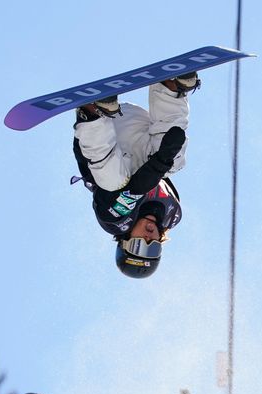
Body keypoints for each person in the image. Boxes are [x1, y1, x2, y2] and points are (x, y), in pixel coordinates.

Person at [72, 73, 200, 278]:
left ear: (124, 241)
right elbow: (155, 173)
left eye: (138, 246)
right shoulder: (172, 213)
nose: (149, 240)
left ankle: (93, 113)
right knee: (174, 165)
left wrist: (162, 160)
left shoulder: (113, 220)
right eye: (154, 249)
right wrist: (166, 157)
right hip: (133, 128)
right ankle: (170, 88)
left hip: (101, 137)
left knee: (115, 182)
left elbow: (136, 188)